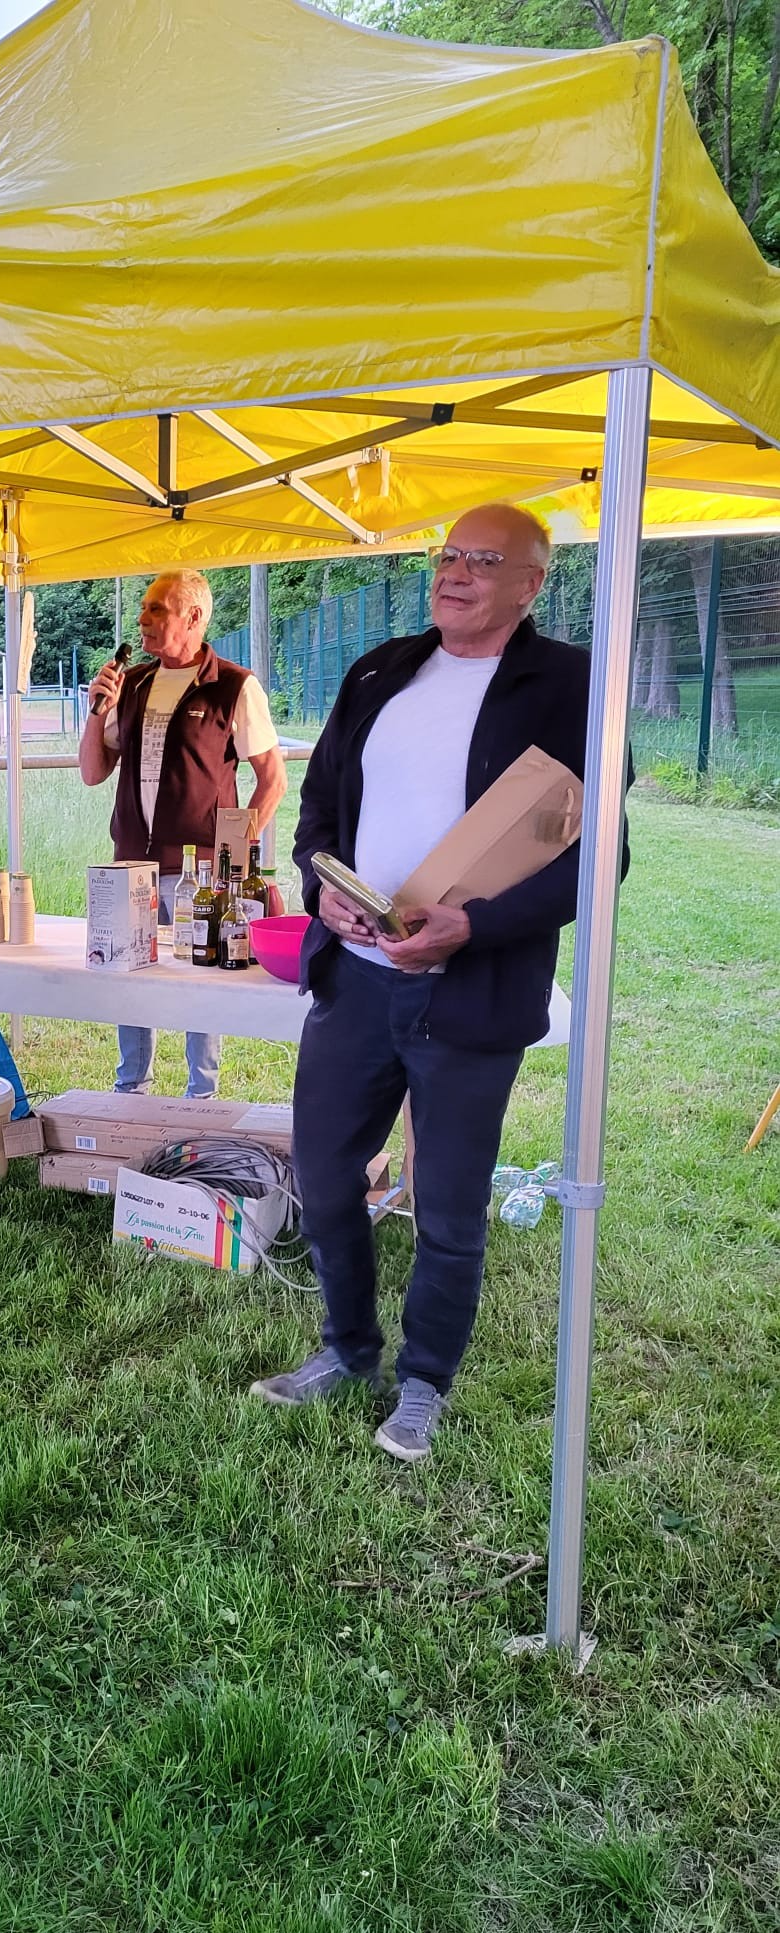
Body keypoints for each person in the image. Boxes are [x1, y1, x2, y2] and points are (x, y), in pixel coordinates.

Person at [251, 504, 629, 1463]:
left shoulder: (573, 685)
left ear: (531, 584)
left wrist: (476, 925)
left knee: (449, 1205)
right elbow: (319, 808)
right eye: (448, 555)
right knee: (324, 1179)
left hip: (472, 989)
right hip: (357, 980)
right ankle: (348, 1348)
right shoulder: (382, 670)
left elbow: (601, 857)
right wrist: (324, 891)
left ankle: (423, 1382)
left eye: (482, 561)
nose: (454, 573)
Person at [78, 568, 285, 1097]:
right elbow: (93, 772)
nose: (143, 619)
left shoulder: (234, 686)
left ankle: (202, 1096)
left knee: (201, 981)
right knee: (128, 980)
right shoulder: (133, 683)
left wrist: (234, 855)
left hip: (199, 870)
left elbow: (273, 780)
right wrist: (95, 710)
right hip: (129, 864)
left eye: (157, 609)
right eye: (144, 608)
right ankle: (132, 1090)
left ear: (193, 617)